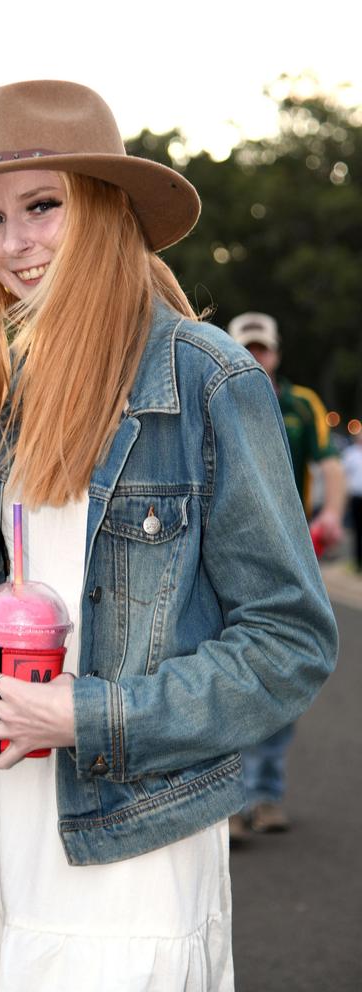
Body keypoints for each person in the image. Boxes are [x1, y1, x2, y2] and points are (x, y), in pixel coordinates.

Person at [0, 80, 338, 991]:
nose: (13, 244)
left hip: (133, 844)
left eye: (42, 207)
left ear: (103, 209)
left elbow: (291, 641)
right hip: (3, 828)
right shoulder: (3, 388)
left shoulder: (207, 379)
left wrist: (89, 715)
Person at [226, 311, 345, 839]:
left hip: (287, 550)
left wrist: (332, 514)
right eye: (245, 348)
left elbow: (331, 466)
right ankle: (227, 800)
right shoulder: (214, 391)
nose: (256, 358)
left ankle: (266, 793)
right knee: (222, 668)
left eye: (263, 349)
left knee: (282, 666)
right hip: (224, 548)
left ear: (275, 353)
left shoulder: (301, 404)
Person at [342, 430, 362, 573]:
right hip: (356, 498)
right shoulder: (350, 454)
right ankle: (358, 561)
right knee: (357, 531)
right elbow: (343, 475)